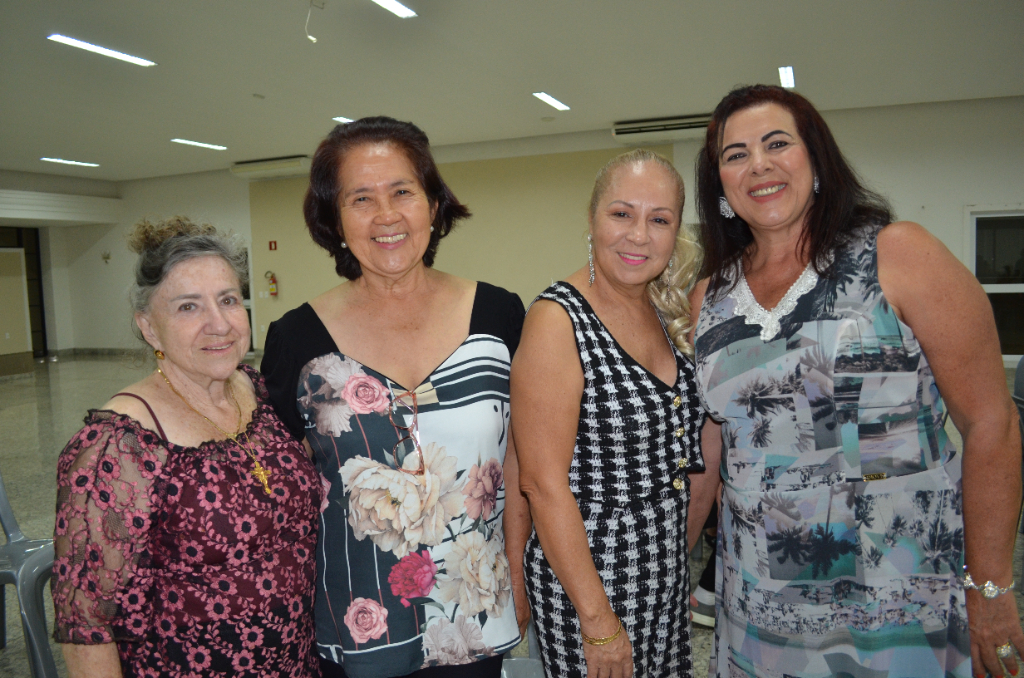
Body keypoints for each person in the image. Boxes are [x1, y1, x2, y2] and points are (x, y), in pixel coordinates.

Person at [687, 84, 1024, 678]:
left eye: (776, 143)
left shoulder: (898, 255)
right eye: (735, 154)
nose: (758, 164)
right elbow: (712, 453)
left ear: (815, 160)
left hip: (897, 600)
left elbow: (990, 421)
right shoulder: (708, 299)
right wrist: (670, 567)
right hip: (760, 607)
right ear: (720, 185)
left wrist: (991, 586)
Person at [261, 116, 527, 678]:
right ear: (334, 220)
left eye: (402, 191)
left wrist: (520, 582)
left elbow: (520, 461)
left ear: (434, 203)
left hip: (476, 619)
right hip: (355, 630)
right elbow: (281, 493)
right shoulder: (297, 340)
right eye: (361, 198)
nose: (386, 215)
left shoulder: (500, 316)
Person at [52, 218, 322, 678]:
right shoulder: (117, 447)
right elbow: (88, 628)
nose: (219, 324)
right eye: (188, 307)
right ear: (148, 327)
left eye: (229, 300)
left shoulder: (261, 396)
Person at [511, 148, 706, 678]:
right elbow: (542, 482)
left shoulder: (663, 310)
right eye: (622, 214)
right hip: (590, 586)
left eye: (659, 219)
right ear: (593, 219)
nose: (639, 235)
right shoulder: (559, 320)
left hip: (663, 576)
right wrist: (598, 623)